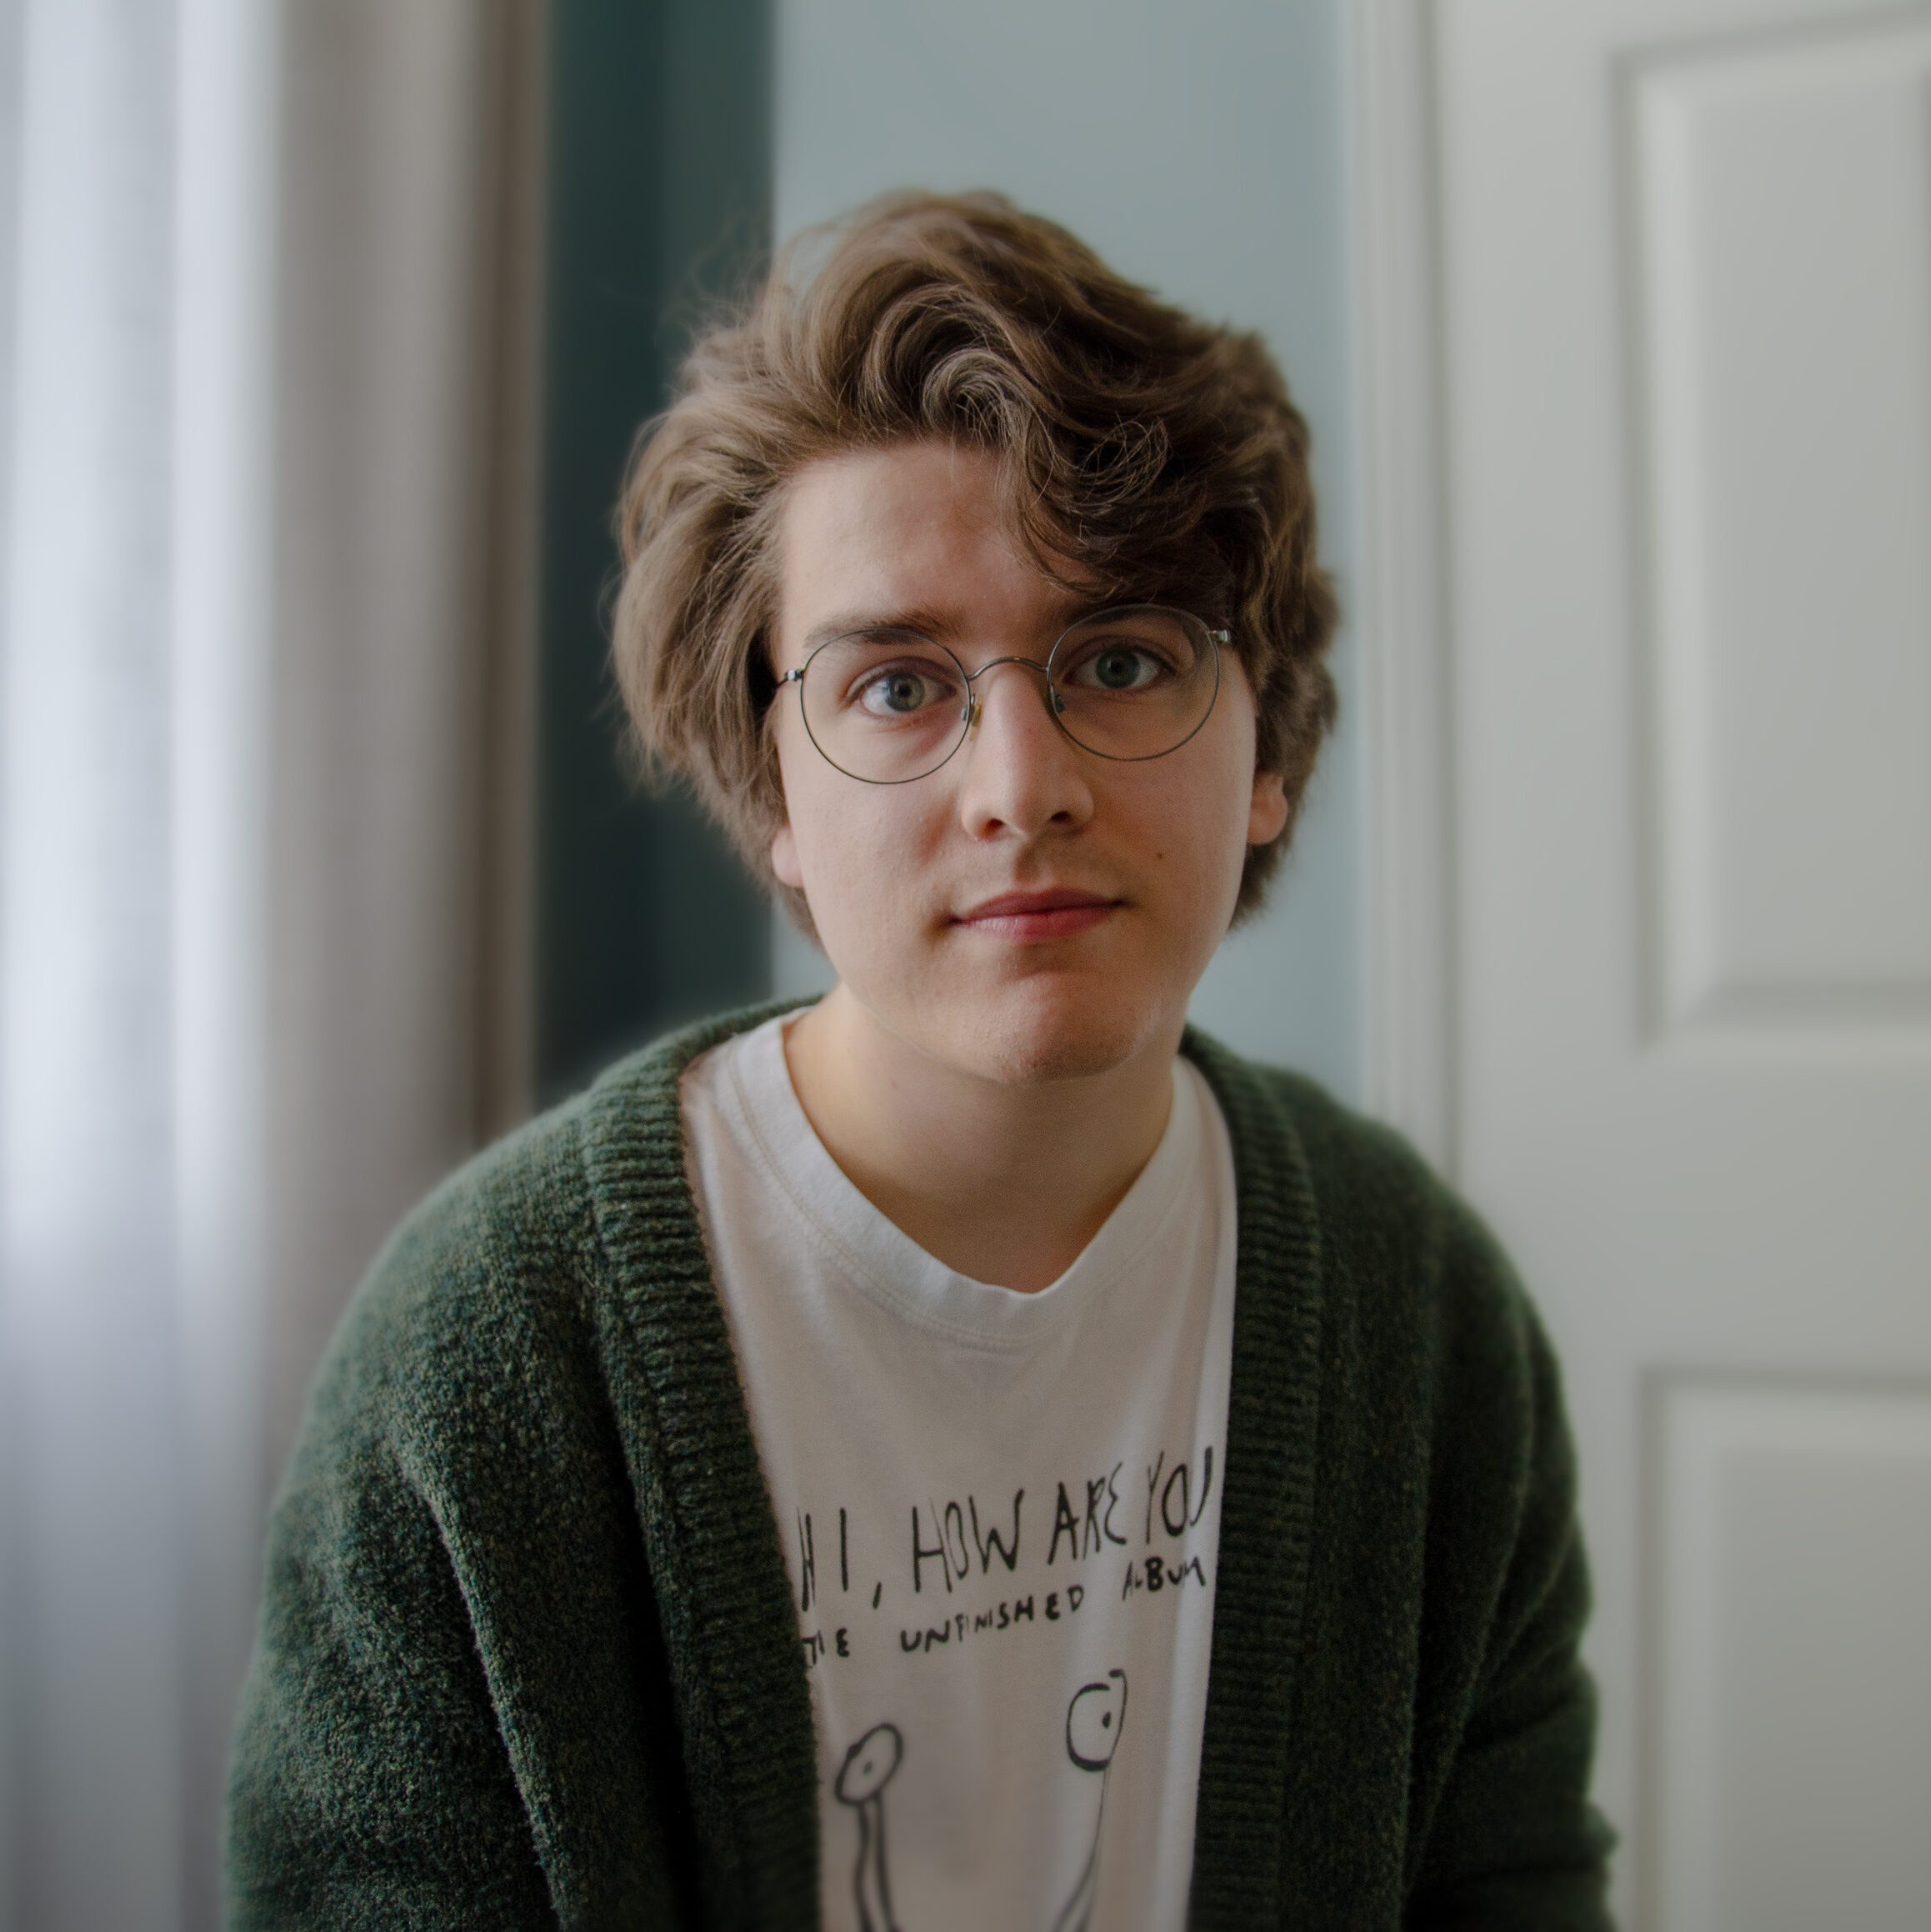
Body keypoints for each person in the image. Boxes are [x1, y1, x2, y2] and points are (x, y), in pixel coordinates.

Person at [225, 193, 1614, 1929]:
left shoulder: (1420, 1315)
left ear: (1267, 753)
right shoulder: (491, 1360)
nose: (1020, 780)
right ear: (774, 792)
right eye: (896, 685)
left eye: (1119, 658)